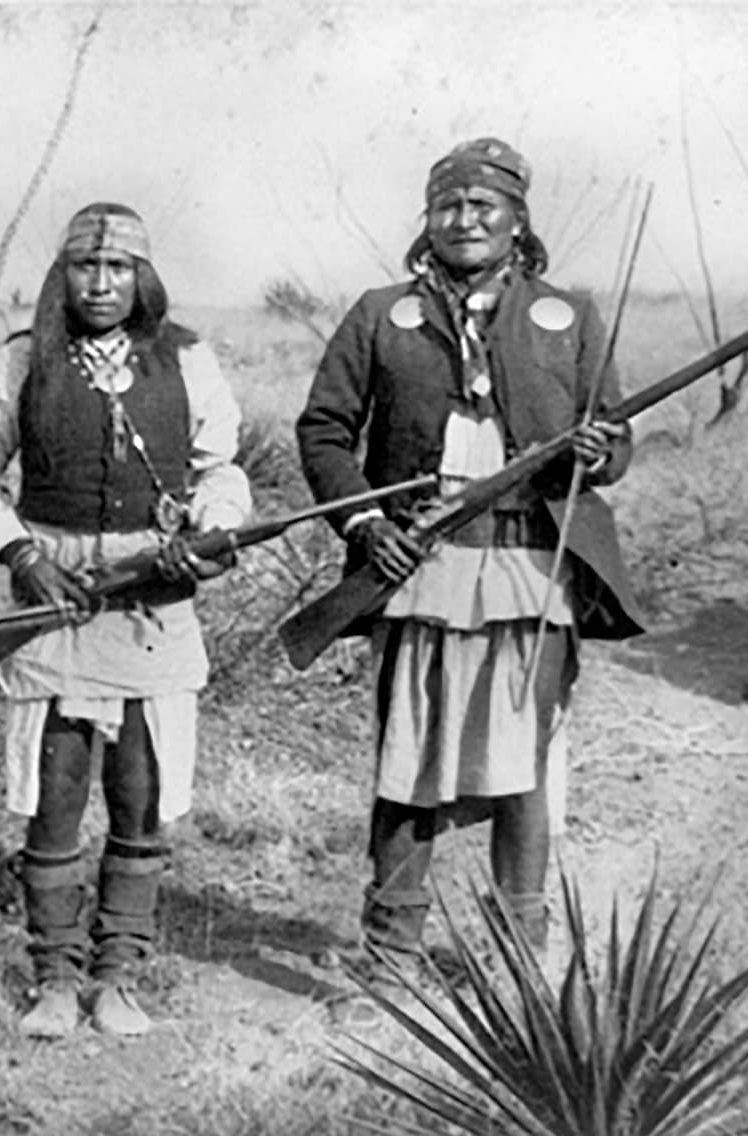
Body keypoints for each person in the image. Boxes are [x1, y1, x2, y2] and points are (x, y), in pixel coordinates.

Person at [294, 138, 643, 1018]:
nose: (465, 220)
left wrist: (598, 452)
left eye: (484, 205)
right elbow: (324, 431)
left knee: (525, 769)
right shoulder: (381, 315)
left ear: (517, 219)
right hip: (419, 570)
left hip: (531, 573)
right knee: (407, 764)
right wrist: (367, 526)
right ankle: (390, 961)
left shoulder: (570, 315)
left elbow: (616, 440)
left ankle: (520, 964)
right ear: (429, 219)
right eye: (449, 204)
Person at [0, 202, 251, 1039]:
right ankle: (53, 977)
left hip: (152, 599)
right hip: (55, 600)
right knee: (54, 795)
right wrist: (22, 555)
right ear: (64, 274)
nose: (100, 283)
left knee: (139, 793)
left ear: (141, 276)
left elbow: (221, 468)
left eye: (118, 268)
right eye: (85, 267)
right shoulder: (22, 361)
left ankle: (118, 975)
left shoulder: (186, 359)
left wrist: (209, 532)